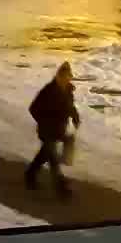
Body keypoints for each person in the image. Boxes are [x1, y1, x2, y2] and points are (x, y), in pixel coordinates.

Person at [26, 62, 80, 197]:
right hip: (47, 131)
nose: (66, 79)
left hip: (59, 130)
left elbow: (70, 106)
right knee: (53, 159)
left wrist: (75, 117)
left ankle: (30, 174)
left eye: (68, 76)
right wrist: (44, 122)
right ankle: (62, 188)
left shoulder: (68, 90)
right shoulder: (48, 90)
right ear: (58, 76)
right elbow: (33, 108)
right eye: (64, 76)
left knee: (44, 154)